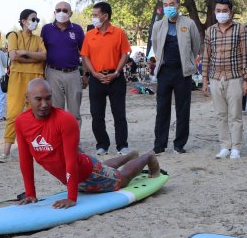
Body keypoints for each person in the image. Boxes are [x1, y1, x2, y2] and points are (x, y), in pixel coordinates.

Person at [16, 79, 161, 208]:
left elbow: (70, 161)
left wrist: (71, 197)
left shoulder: (64, 120)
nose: (44, 104)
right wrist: (30, 193)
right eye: (38, 99)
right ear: (27, 98)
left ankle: (148, 157)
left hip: (86, 173)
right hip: (75, 176)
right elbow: (25, 160)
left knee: (121, 179)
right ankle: (129, 156)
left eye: (48, 98)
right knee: (105, 169)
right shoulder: (21, 122)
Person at [151, 0, 201, 154]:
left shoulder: (189, 23)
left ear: (178, 5)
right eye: (165, 5)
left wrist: (188, 62)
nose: (168, 8)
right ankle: (160, 144)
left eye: (171, 4)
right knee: (162, 109)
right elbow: (156, 47)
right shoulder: (158, 25)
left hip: (183, 73)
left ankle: (179, 144)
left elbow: (195, 47)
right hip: (164, 72)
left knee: (183, 109)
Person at [202, 0, 247, 159]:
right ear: (214, 11)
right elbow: (206, 57)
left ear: (231, 12)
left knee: (235, 115)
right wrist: (204, 81)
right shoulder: (210, 31)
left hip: (234, 77)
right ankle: (225, 146)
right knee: (220, 114)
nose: (221, 13)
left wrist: (246, 80)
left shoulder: (241, 30)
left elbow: (246, 56)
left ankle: (236, 147)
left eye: (225, 11)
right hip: (216, 78)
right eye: (218, 11)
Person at [81, 1, 132, 156]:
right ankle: (102, 144)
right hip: (96, 79)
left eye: (95, 15)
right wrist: (94, 74)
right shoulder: (89, 35)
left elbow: (125, 53)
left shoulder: (119, 33)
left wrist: (116, 72)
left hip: (116, 78)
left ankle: (122, 145)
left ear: (105, 16)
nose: (93, 18)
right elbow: (85, 56)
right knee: (97, 114)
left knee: (119, 113)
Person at [0, 9, 47, 163]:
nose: (36, 22)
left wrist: (24, 53)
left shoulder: (39, 39)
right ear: (24, 21)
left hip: (36, 77)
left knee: (36, 114)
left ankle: (37, 149)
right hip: (17, 77)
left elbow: (44, 56)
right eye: (33, 19)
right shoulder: (13, 35)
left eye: (37, 19)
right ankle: (6, 152)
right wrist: (33, 57)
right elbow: (13, 55)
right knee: (13, 114)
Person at [41, 1, 86, 124]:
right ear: (54, 12)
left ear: (70, 13)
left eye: (65, 10)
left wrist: (86, 75)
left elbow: (85, 53)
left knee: (74, 112)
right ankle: (58, 142)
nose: (61, 12)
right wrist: (42, 75)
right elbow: (42, 53)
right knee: (56, 111)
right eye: (58, 10)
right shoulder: (46, 29)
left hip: (73, 73)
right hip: (53, 73)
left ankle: (74, 142)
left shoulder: (77, 29)